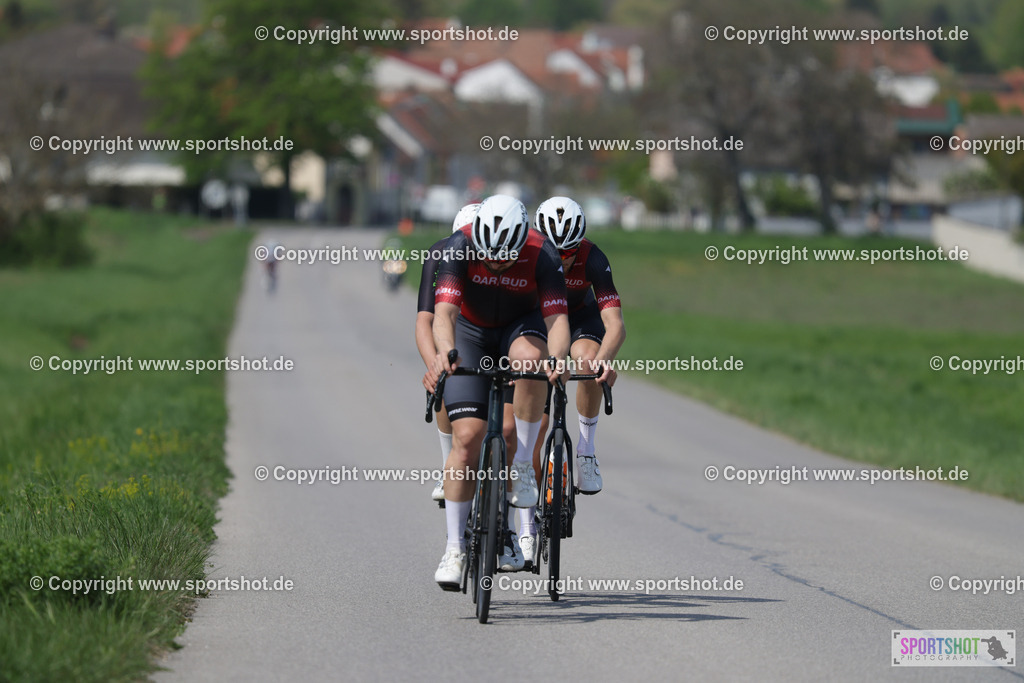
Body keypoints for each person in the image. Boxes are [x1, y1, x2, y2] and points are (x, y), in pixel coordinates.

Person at [431, 195, 570, 590]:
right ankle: (454, 548)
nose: (495, 265)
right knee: (467, 440)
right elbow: (445, 315)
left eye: (505, 260)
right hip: (471, 333)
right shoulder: (460, 245)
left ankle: (522, 468)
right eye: (488, 258)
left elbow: (558, 321)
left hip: (519, 327)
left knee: (531, 362)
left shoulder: (542, 253)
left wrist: (557, 358)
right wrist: (447, 353)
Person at [524, 196, 625, 566]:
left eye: (569, 252)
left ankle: (585, 449)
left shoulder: (593, 257)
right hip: (539, 318)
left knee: (587, 360)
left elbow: (615, 325)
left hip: (580, 317)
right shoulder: (528, 253)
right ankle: (527, 520)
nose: (562, 260)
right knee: (536, 427)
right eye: (555, 252)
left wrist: (603, 361)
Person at [415, 203, 480, 504]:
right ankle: (446, 466)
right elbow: (425, 320)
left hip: (491, 327)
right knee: (444, 376)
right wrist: (434, 365)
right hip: (455, 327)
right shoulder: (440, 254)